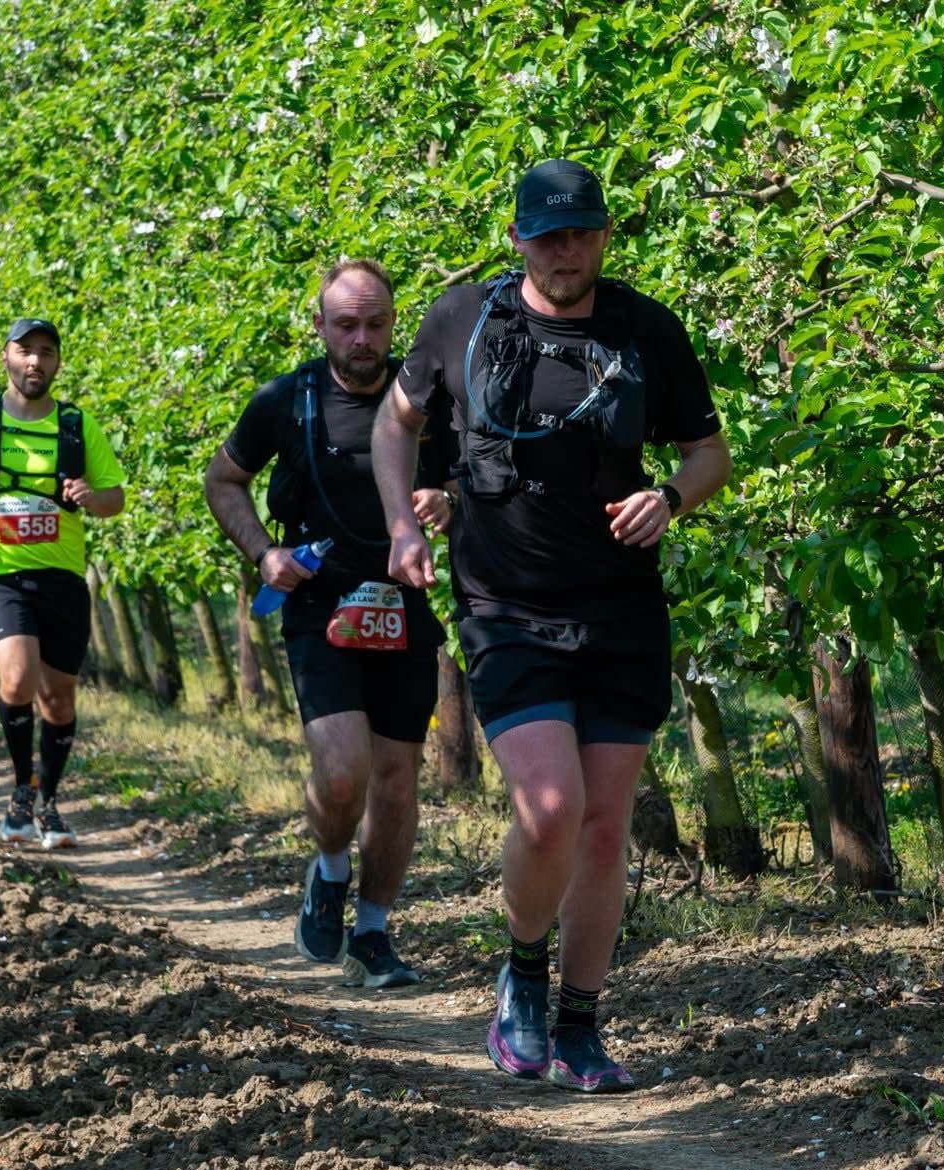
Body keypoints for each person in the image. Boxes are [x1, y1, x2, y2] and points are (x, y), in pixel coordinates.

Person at [371, 160, 732, 1092]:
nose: (565, 250)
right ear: (518, 238)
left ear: (605, 236)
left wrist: (670, 497)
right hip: (506, 608)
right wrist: (404, 524)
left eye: (581, 233)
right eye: (547, 234)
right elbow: (394, 422)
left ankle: (580, 1024)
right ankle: (521, 974)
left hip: (621, 611)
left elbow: (708, 450)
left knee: (606, 831)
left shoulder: (646, 329)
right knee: (550, 807)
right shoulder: (462, 320)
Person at [203, 259, 455, 988]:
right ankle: (330, 868)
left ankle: (374, 932)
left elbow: (471, 478)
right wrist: (264, 551)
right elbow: (223, 480)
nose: (363, 337)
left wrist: (448, 501)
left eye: (376, 322)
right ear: (319, 326)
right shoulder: (286, 399)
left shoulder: (427, 397)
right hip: (320, 604)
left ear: (394, 322)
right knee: (342, 771)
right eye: (346, 323)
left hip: (403, 602)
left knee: (399, 781)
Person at [0, 318, 126, 850]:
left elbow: (115, 499)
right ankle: (21, 791)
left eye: (46, 352)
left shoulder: (77, 427)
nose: (35, 361)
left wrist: (90, 496)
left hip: (63, 576)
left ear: (58, 362)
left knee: (59, 699)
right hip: (0, 574)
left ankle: (50, 804)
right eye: (25, 351)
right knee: (18, 679)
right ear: (6, 358)